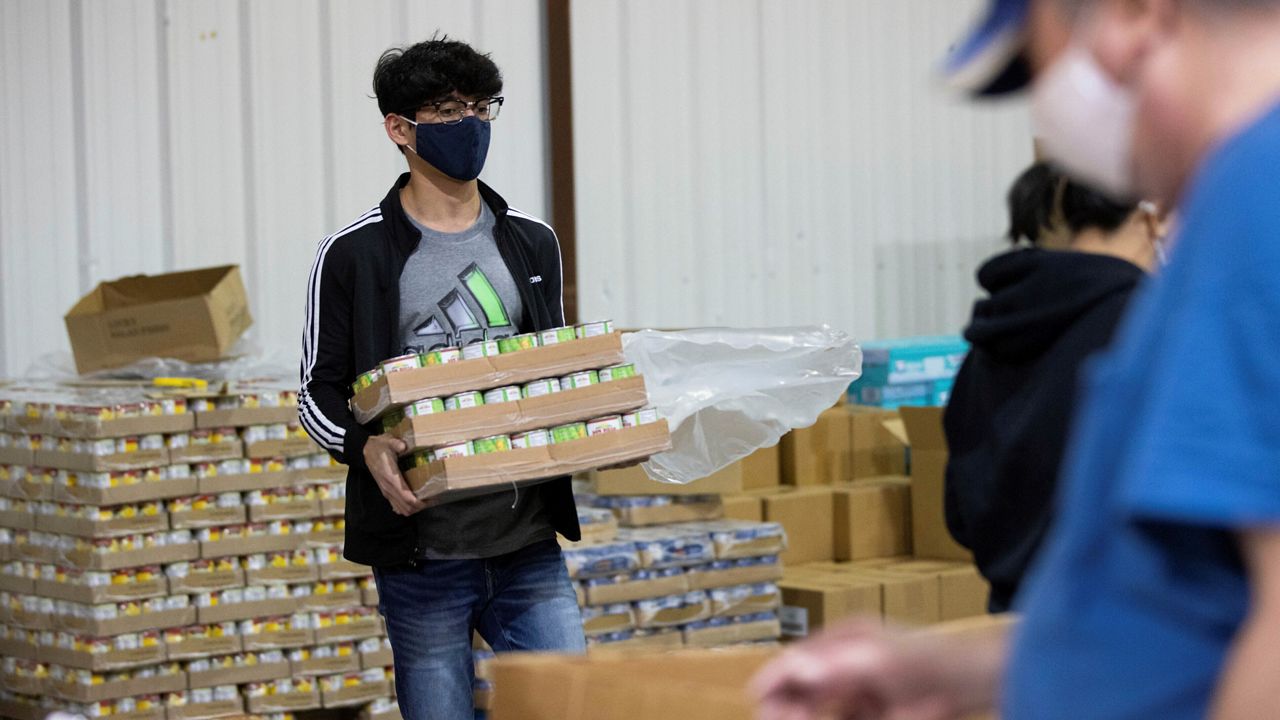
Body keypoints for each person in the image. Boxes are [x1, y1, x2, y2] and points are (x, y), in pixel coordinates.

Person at [753, 0, 1280, 718]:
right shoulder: (1228, 210)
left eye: (1038, 63)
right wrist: (950, 670)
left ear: (1133, 16)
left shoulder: (1257, 194)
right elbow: (1190, 614)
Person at [298, 36, 585, 720]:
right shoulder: (354, 253)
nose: (472, 124)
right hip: (423, 552)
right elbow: (316, 390)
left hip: (526, 541)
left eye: (483, 107)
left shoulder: (531, 240)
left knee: (573, 704)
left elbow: (552, 369)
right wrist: (360, 445)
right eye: (449, 109)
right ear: (400, 128)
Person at [944, 161, 1165, 612]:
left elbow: (959, 513)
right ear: (1151, 217)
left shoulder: (992, 336)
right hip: (1129, 629)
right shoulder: (1152, 327)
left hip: (1016, 628)